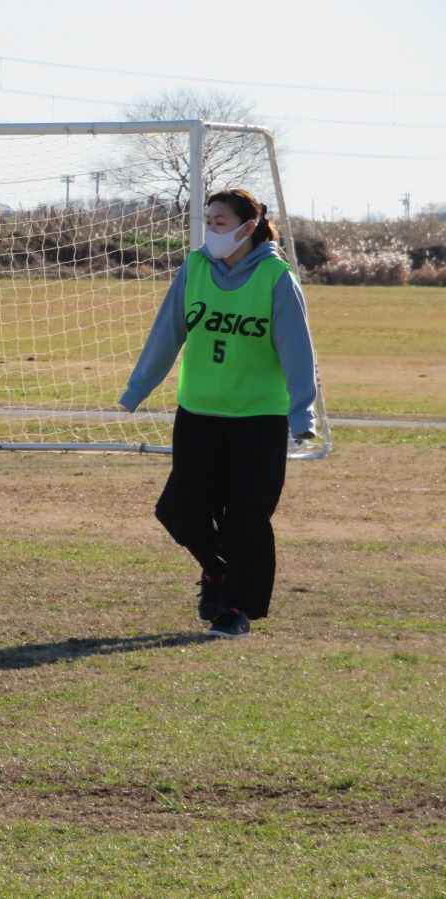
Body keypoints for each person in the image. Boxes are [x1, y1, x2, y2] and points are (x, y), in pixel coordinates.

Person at [119, 188, 318, 639]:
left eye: (220, 222)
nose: (211, 230)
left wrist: (301, 414)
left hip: (258, 420)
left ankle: (238, 609)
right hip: (199, 414)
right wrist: (138, 388)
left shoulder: (276, 277)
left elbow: (297, 351)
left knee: (246, 519)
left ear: (248, 227)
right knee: (179, 510)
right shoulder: (194, 268)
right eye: (207, 221)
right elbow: (167, 331)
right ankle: (217, 570)